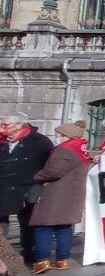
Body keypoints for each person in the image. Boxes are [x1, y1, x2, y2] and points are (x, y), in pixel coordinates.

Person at [28, 121, 90, 275]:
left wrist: (37, 175)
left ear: (66, 136)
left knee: (43, 226)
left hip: (55, 193)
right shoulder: (80, 149)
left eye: (59, 135)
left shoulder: (64, 150)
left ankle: (42, 261)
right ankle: (62, 260)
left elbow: (54, 172)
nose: (56, 138)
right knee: (64, 227)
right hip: (73, 193)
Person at [0, 113, 53, 266]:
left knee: (27, 223)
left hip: (26, 188)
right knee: (2, 223)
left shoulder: (39, 141)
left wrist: (39, 186)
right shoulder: (2, 141)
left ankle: (29, 252)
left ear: (19, 125)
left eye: (5, 125)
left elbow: (48, 166)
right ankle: (3, 254)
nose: (2, 128)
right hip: (3, 187)